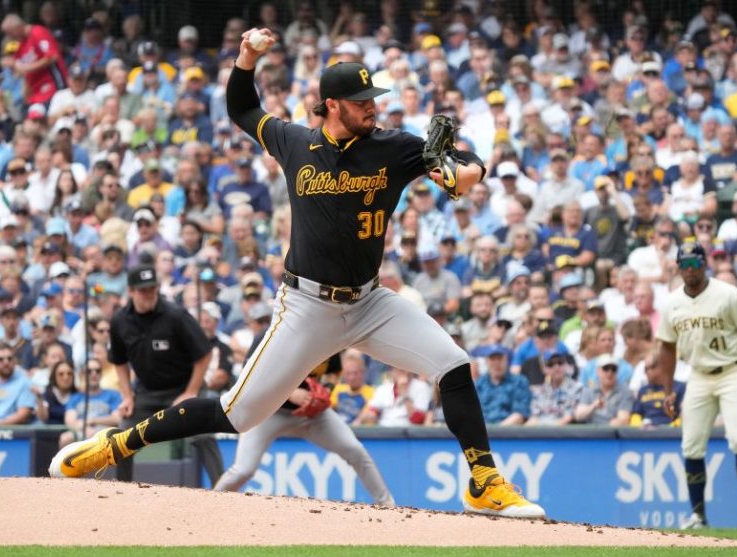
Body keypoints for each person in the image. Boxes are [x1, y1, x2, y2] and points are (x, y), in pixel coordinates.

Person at [49, 30, 544, 519]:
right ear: (332, 105)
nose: (372, 107)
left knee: (453, 365)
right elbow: (243, 108)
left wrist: (466, 171)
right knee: (235, 414)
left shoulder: (394, 147)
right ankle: (115, 445)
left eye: (374, 99)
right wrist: (246, 57)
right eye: (361, 101)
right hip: (307, 306)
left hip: (370, 302)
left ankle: (484, 483)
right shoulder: (294, 142)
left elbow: (465, 159)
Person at [657, 242, 737, 530]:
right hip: (699, 374)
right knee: (691, 445)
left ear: (704, 265)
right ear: (679, 268)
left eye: (695, 264)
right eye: (685, 265)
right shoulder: (672, 302)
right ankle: (698, 516)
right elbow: (667, 346)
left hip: (733, 370)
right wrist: (668, 390)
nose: (690, 270)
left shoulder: (727, 293)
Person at [214, 349, 395, 507]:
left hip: (313, 415)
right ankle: (211, 503)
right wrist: (290, 392)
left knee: (356, 451)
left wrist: (326, 390)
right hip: (270, 411)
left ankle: (387, 505)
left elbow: (334, 371)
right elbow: (250, 374)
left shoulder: (328, 338)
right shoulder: (273, 333)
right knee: (243, 470)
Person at [105, 264, 216, 483]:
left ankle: (222, 488)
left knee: (203, 435)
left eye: (152, 288)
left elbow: (204, 354)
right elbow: (119, 361)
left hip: (183, 387)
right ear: (130, 291)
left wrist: (191, 392)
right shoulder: (119, 320)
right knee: (122, 436)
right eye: (143, 290)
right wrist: (127, 396)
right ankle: (122, 489)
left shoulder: (176, 315)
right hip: (148, 392)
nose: (149, 294)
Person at [573, 354, 633, 426]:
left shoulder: (624, 392)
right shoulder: (589, 389)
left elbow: (623, 419)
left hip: (612, 431)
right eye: (606, 368)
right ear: (598, 371)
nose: (610, 373)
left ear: (617, 372)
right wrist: (593, 406)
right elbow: (578, 416)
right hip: (589, 430)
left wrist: (609, 426)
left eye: (614, 369)